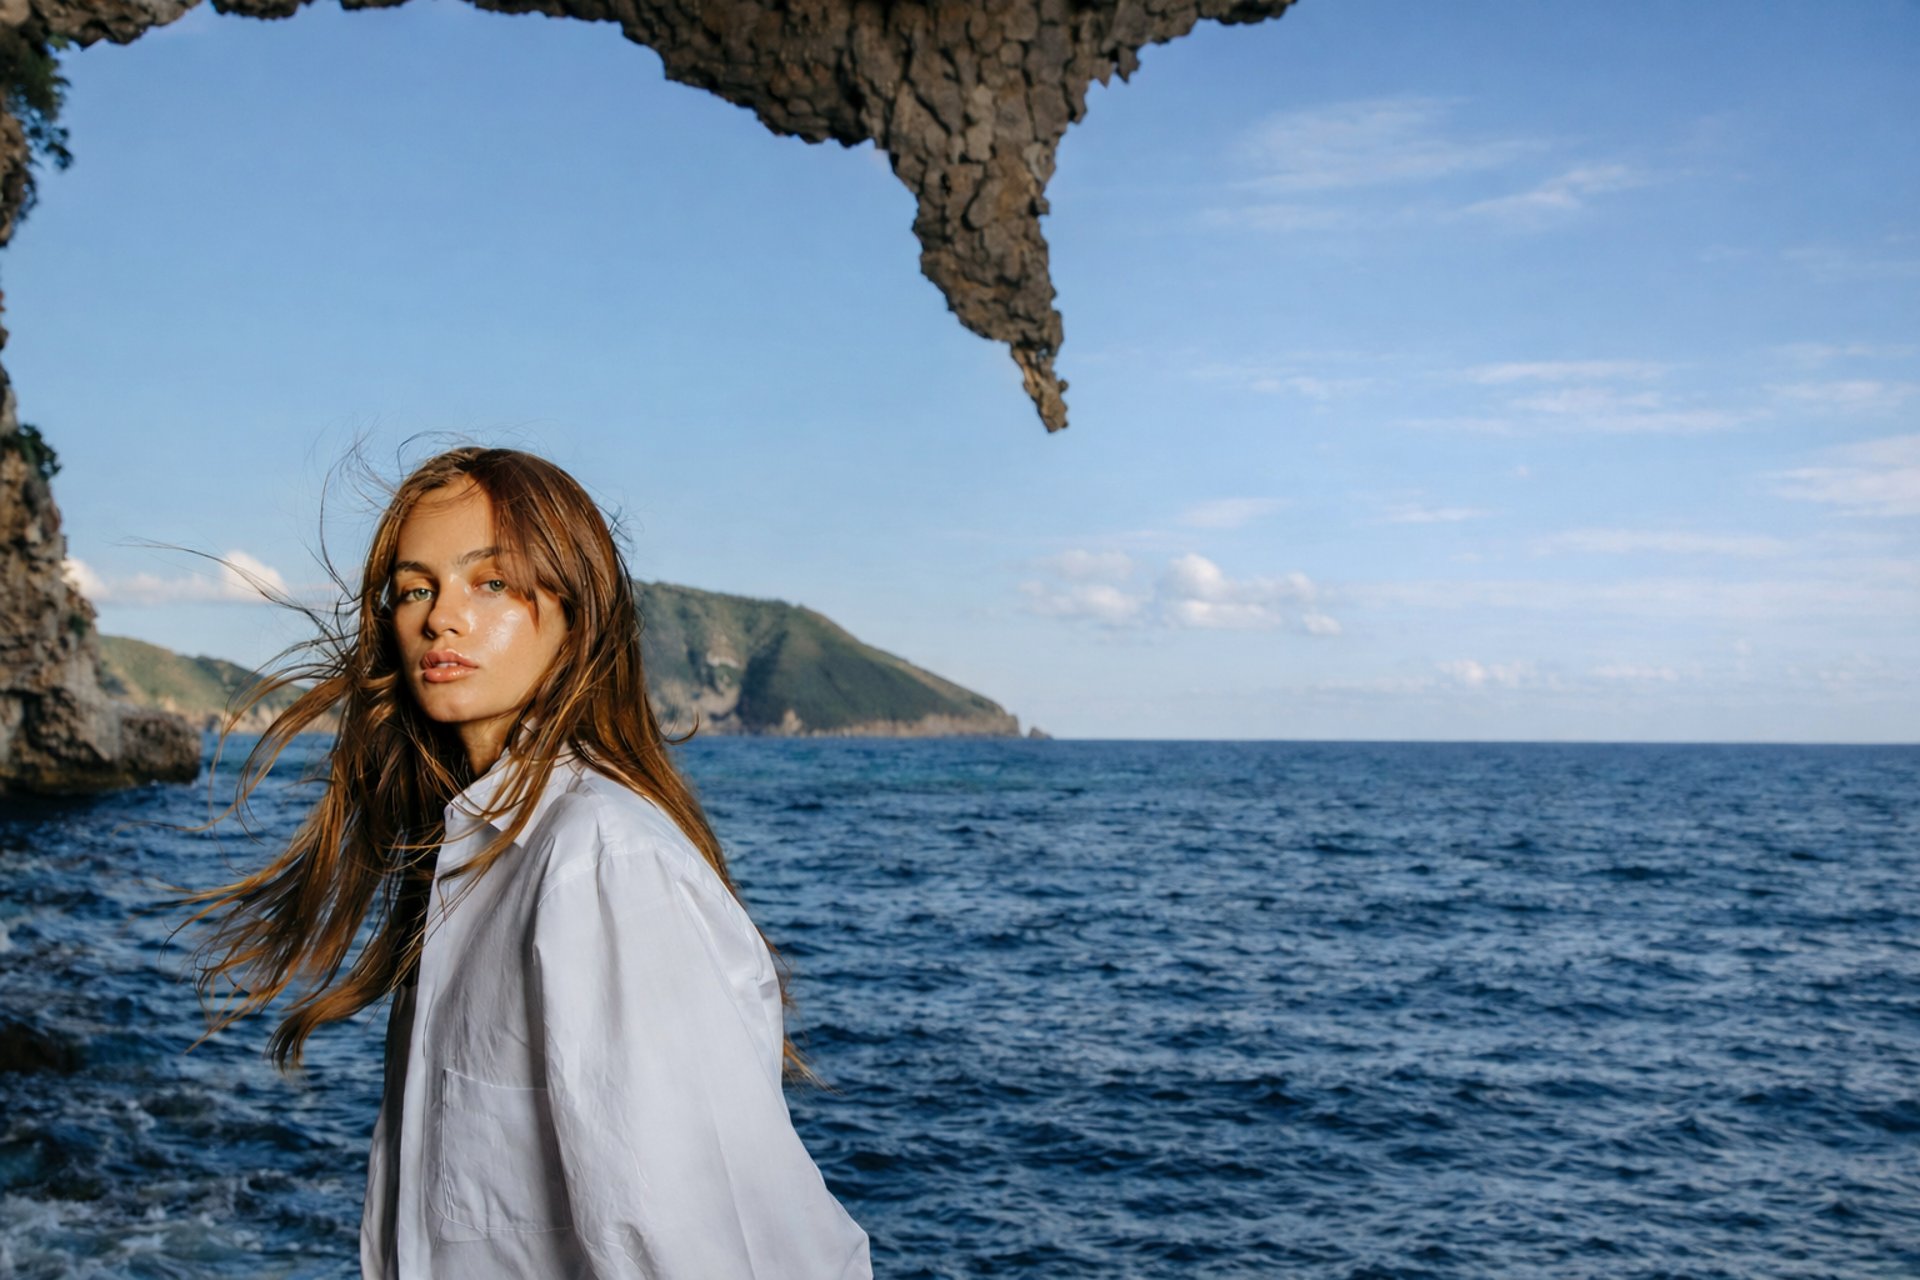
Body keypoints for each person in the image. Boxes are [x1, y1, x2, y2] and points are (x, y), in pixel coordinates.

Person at [174, 446, 872, 1278]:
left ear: (577, 615)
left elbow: (704, 1242)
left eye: (491, 582)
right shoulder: (465, 852)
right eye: (415, 588)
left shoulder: (598, 859)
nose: (441, 618)